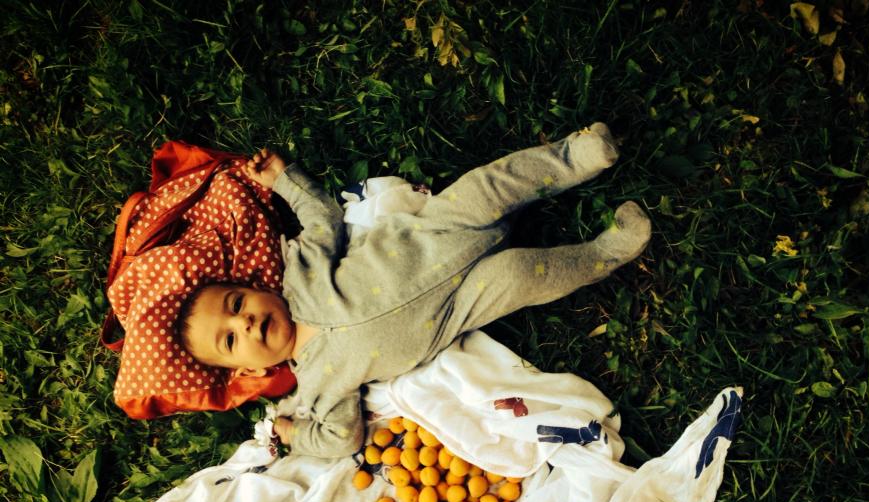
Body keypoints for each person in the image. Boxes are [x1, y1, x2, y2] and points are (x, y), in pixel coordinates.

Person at [177, 123, 652, 458]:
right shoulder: (319, 389)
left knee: (489, 185)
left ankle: (577, 156)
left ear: (251, 288)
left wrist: (285, 180)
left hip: (436, 230)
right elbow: (341, 439)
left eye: (235, 303)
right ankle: (608, 251)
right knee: (526, 275)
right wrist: (293, 433)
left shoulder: (299, 276)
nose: (243, 322)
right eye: (230, 339)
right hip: (461, 304)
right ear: (251, 370)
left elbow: (322, 218)